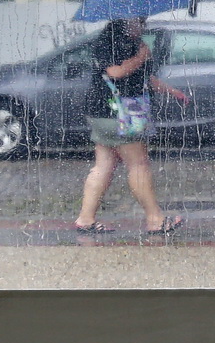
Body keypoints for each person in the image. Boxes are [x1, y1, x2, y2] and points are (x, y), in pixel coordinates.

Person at [74, 17, 189, 235]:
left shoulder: (125, 42)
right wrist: (141, 56)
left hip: (102, 113)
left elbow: (145, 78)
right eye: (139, 22)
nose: (142, 26)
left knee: (104, 166)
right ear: (124, 22)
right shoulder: (112, 43)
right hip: (120, 113)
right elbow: (115, 72)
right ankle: (155, 219)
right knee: (138, 165)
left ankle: (86, 218)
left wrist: (173, 92)